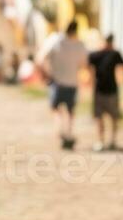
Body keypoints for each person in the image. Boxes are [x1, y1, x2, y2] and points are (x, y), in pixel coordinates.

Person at [35, 21, 89, 150]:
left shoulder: (54, 40)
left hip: (57, 81)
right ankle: (68, 133)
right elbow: (84, 64)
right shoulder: (79, 45)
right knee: (70, 111)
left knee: (56, 109)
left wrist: (45, 75)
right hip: (72, 82)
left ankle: (60, 130)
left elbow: (40, 59)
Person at [89, 34, 123, 151]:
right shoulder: (114, 54)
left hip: (100, 90)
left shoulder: (97, 54)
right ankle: (110, 140)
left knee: (101, 117)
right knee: (112, 117)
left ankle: (102, 141)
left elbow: (87, 67)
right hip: (110, 90)